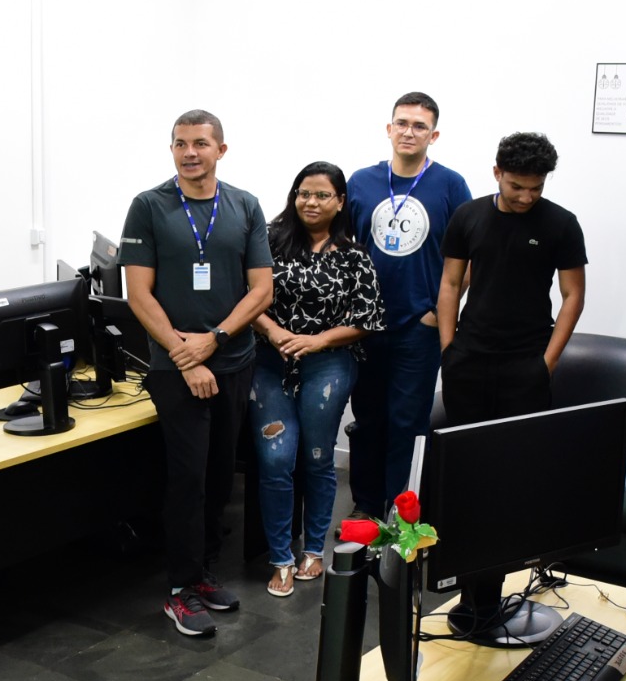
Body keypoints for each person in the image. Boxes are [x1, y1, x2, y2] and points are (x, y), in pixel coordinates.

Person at [120, 110, 273, 637]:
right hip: (175, 367)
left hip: (233, 361)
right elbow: (137, 294)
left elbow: (261, 290)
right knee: (186, 477)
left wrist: (216, 340)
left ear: (220, 150)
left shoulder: (245, 206)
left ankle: (204, 574)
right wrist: (187, 357)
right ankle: (180, 589)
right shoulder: (149, 207)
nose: (190, 152)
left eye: (201, 143)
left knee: (216, 475)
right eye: (181, 144)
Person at [250, 162, 384, 596]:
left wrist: (316, 340)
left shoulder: (353, 255)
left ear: (340, 202)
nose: (311, 202)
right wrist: (275, 333)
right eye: (303, 193)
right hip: (270, 361)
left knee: (317, 457)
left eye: (322, 195)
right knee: (275, 459)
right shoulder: (268, 241)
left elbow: (367, 318)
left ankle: (313, 550)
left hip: (328, 364)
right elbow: (247, 296)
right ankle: (280, 557)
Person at [345, 92, 472, 518]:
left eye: (420, 126)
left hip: (418, 327)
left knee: (408, 423)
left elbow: (471, 254)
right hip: (364, 327)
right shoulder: (361, 182)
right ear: (389, 128)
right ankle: (365, 506)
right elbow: (342, 250)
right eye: (402, 123)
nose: (409, 132)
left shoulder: (451, 185)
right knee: (367, 420)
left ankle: (402, 515)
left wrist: (439, 313)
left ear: (433, 135)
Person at [436, 131, 586, 425]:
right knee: (464, 452)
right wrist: (447, 350)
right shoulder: (467, 216)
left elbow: (574, 295)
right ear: (497, 173)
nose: (526, 197)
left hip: (528, 358)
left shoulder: (562, 224)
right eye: (516, 186)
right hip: (468, 357)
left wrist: (547, 363)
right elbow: (451, 284)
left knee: (517, 457)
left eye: (536, 188)